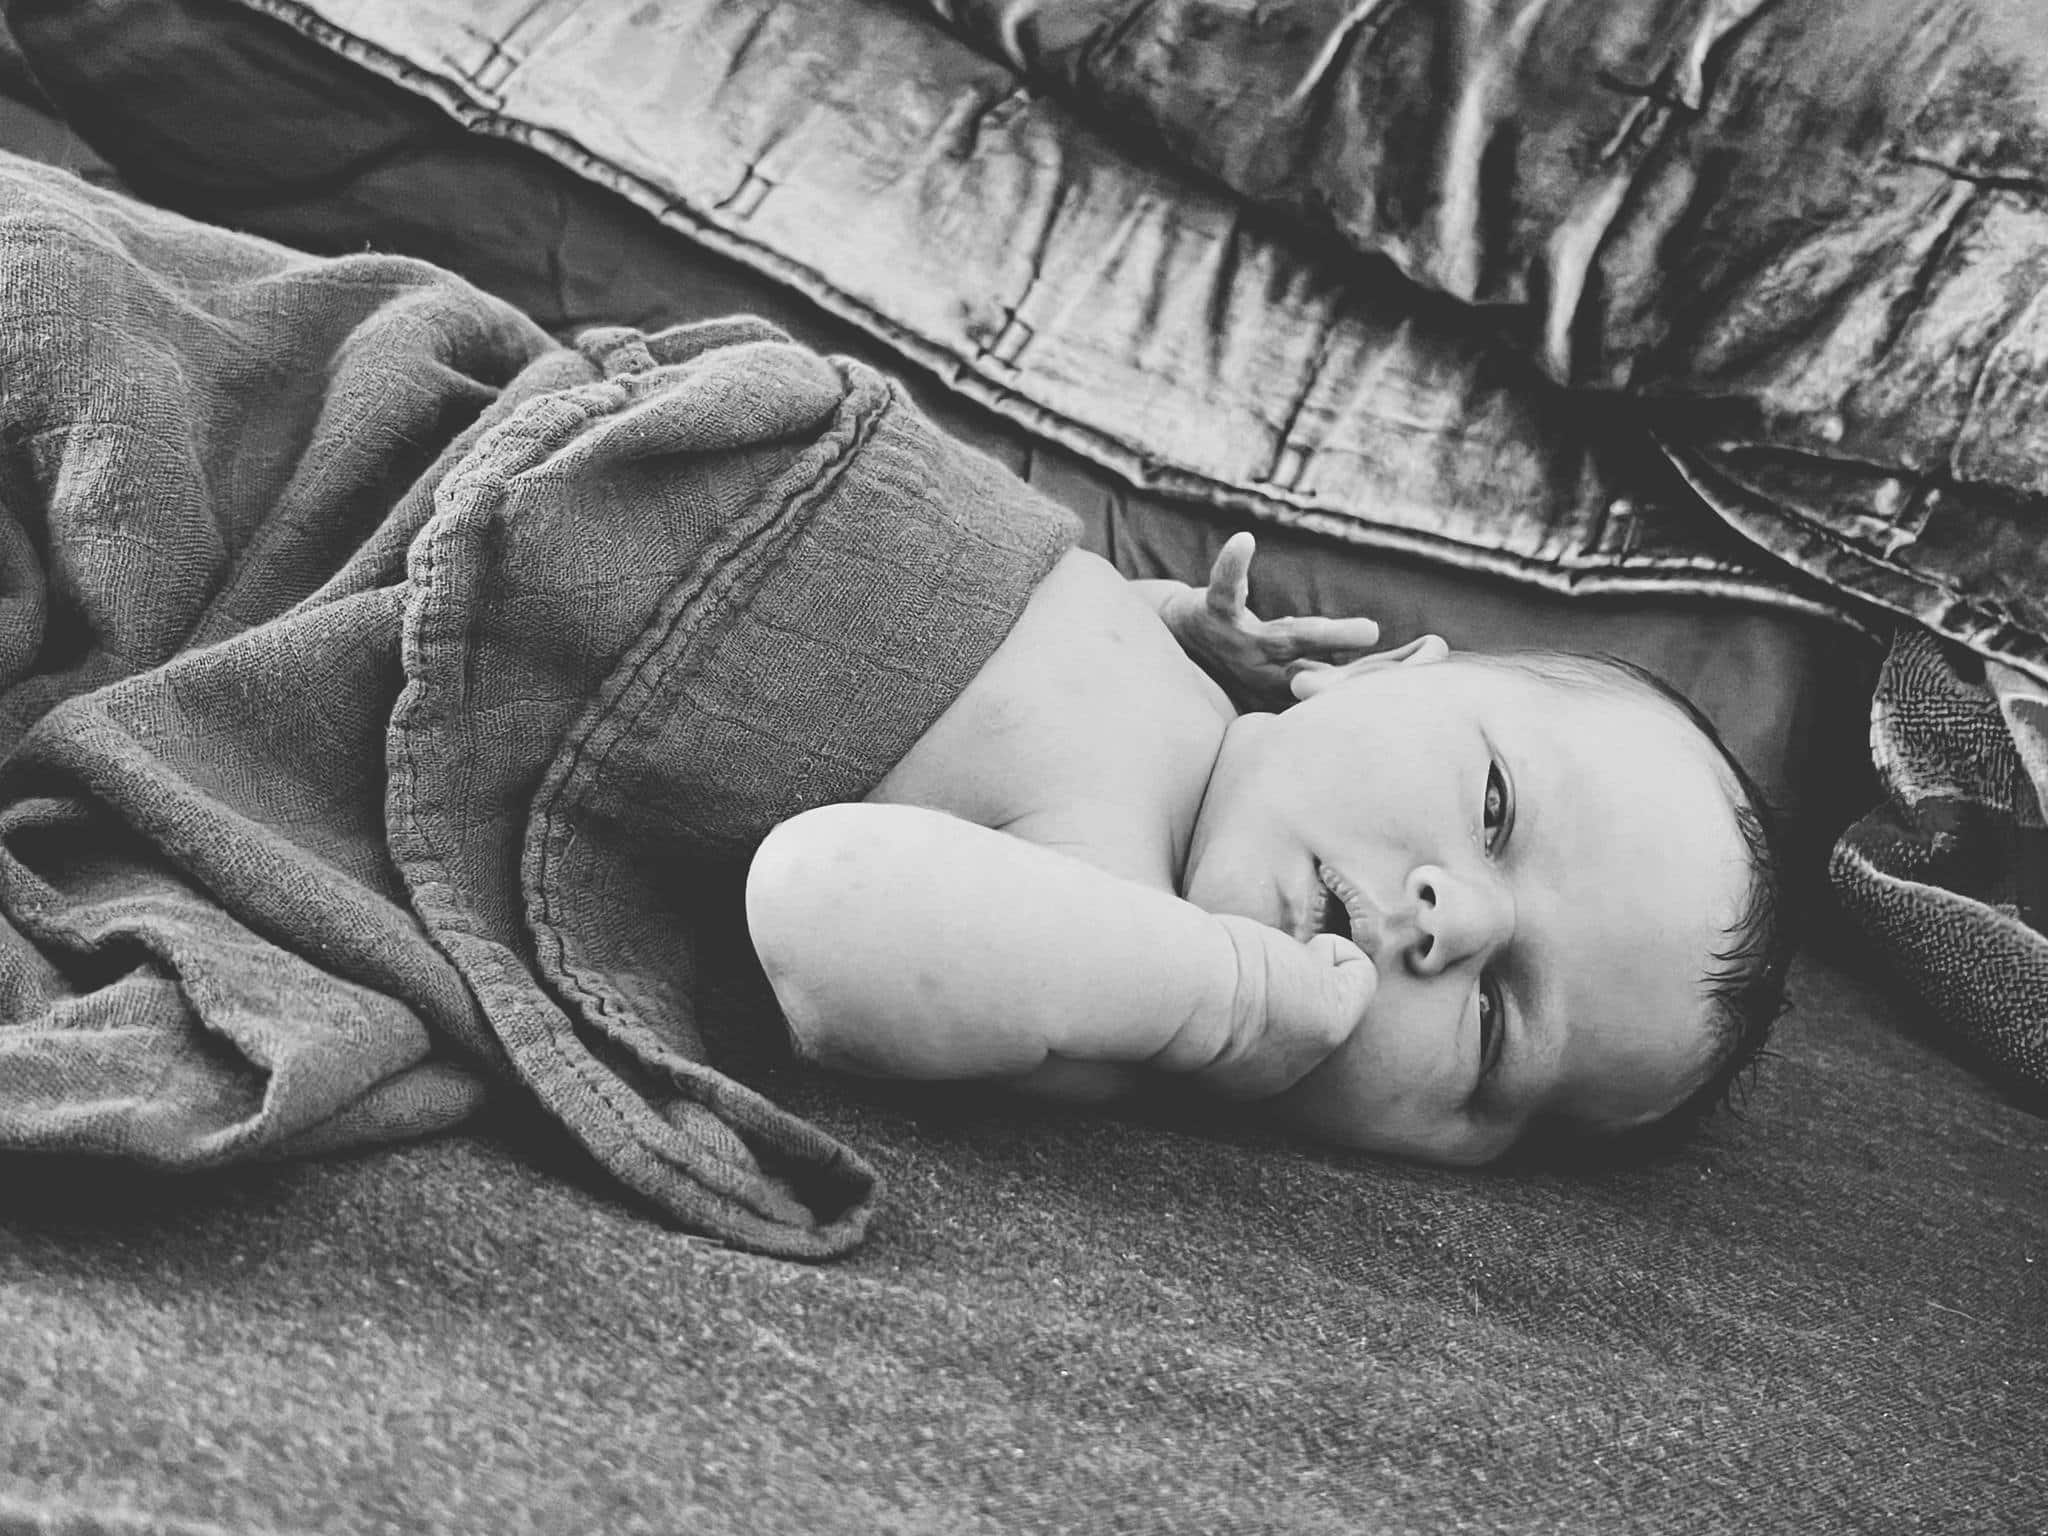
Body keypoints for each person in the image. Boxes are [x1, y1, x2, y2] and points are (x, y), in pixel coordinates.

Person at [745, 524, 1792, 1169]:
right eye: (1492, 809)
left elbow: (819, 899)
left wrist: (1228, 998)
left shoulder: (1107, 963)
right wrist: (1157, 618)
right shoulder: (1190, 704)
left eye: (1491, 1021)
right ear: (1373, 674)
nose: (1456, 920)